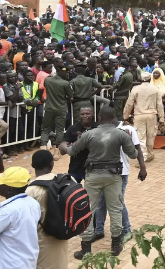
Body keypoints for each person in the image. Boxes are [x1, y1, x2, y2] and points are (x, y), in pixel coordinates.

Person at [61, 106, 139, 258]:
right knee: (116, 209)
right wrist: (128, 139)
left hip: (93, 176)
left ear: (100, 118)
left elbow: (71, 151)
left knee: (88, 209)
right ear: (114, 117)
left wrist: (64, 146)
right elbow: (134, 154)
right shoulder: (121, 134)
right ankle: (116, 245)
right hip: (113, 177)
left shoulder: (89, 134)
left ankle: (86, 248)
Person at [94, 113, 147, 244]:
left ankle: (126, 231)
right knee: (100, 202)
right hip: (103, 172)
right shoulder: (103, 129)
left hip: (120, 172)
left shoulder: (128, 129)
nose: (100, 121)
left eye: (101, 118)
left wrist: (143, 167)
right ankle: (98, 230)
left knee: (117, 203)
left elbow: (137, 149)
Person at [26, 150, 67, 269]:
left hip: (42, 238)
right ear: (51, 164)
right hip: (64, 232)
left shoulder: (30, 190)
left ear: (33, 166)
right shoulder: (65, 180)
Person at [0, 166, 41, 269]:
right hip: (28, 261)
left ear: (10, 188)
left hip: (10, 264)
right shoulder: (33, 203)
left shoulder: (7, 211)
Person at [123, 71, 165, 162]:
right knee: (151, 135)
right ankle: (149, 154)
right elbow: (160, 105)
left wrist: (125, 116)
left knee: (141, 137)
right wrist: (161, 118)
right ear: (150, 79)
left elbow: (129, 104)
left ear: (141, 79)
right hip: (152, 115)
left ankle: (143, 157)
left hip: (139, 115)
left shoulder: (135, 89)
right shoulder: (155, 89)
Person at [40, 63, 72, 160]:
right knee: (59, 130)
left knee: (45, 128)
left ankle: (43, 148)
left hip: (49, 107)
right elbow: (70, 96)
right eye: (66, 72)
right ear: (61, 72)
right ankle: (56, 152)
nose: (67, 74)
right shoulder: (65, 83)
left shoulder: (48, 79)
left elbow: (44, 89)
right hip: (61, 108)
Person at [59, 106, 96, 184]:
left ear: (93, 114)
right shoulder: (73, 128)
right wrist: (72, 146)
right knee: (72, 191)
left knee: (92, 194)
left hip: (93, 168)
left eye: (88, 114)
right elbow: (62, 149)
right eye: (82, 114)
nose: (85, 116)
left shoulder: (97, 127)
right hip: (75, 167)